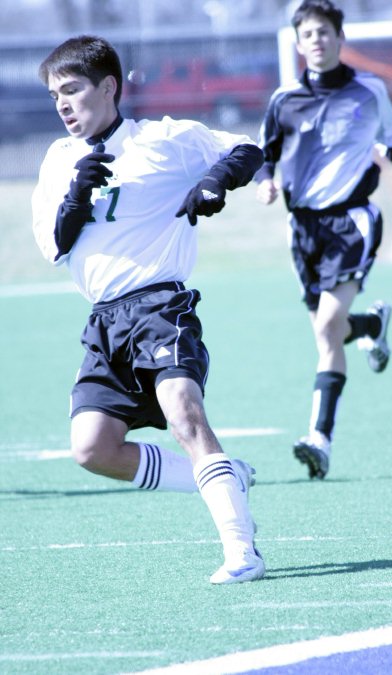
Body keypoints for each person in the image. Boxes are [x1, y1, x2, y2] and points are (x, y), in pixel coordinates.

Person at [32, 35, 266, 584]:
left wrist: (214, 181)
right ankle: (224, 476)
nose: (63, 103)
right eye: (54, 95)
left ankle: (241, 550)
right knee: (92, 450)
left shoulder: (163, 140)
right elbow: (54, 247)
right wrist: (75, 198)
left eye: (72, 90)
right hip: (103, 320)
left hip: (160, 305)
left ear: (109, 87)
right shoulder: (58, 160)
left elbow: (248, 150)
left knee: (184, 411)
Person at [255, 0, 392, 479]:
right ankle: (372, 326)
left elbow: (391, 141)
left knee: (325, 329)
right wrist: (265, 181)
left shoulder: (369, 90)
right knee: (331, 326)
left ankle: (320, 437)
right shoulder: (284, 100)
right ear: (298, 45)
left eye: (324, 32)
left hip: (353, 223)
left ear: (340, 39)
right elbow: (267, 153)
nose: (316, 40)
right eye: (307, 35)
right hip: (302, 229)